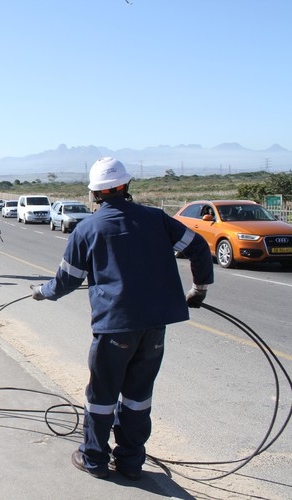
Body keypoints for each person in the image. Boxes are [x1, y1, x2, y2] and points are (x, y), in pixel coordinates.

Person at [30, 158, 213, 480]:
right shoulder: (156, 219)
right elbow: (197, 246)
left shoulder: (87, 228)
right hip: (154, 325)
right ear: (126, 187)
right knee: (138, 397)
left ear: (94, 195)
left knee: (101, 397)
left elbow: (67, 280)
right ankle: (130, 462)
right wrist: (198, 289)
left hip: (115, 326)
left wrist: (42, 292)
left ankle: (94, 459)